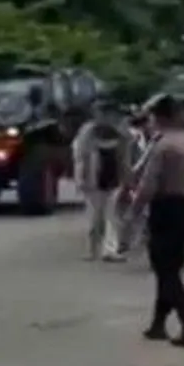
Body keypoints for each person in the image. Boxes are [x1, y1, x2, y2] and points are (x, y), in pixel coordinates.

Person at [133, 94, 184, 347]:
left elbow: (149, 184)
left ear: (159, 117)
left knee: (165, 269)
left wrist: (134, 209)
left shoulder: (162, 146)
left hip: (164, 206)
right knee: (170, 266)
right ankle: (158, 323)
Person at [72, 99, 131, 261]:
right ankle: (92, 249)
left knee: (112, 216)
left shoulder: (121, 133)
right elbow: (81, 158)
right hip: (93, 181)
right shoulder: (87, 132)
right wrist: (80, 179)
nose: (104, 117)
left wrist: (127, 179)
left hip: (114, 179)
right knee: (94, 218)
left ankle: (110, 250)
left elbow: (124, 158)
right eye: (100, 113)